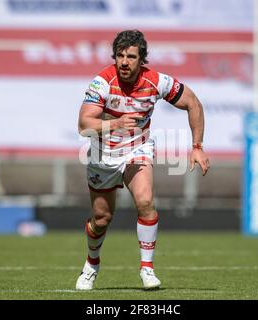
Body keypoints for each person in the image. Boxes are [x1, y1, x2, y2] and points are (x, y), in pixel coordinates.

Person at [76, 30, 210, 290]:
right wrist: (115, 122)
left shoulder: (157, 81)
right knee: (102, 218)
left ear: (141, 59)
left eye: (131, 56)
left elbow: (193, 103)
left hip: (137, 149)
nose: (124, 62)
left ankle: (147, 269)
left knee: (145, 200)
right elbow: (83, 125)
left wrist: (197, 146)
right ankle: (92, 264)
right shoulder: (102, 82)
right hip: (103, 155)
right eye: (120, 55)